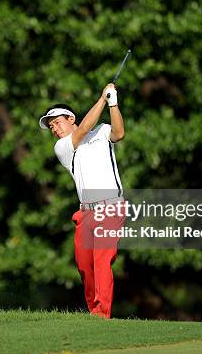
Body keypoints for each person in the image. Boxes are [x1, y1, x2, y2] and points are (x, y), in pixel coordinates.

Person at [39, 83, 126, 319]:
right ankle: (93, 313)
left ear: (70, 118)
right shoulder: (64, 147)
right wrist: (101, 99)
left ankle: (101, 313)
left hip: (111, 207)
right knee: (85, 266)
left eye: (56, 123)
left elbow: (119, 133)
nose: (54, 129)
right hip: (86, 213)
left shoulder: (101, 131)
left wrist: (113, 103)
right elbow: (84, 127)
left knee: (101, 259)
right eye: (51, 127)